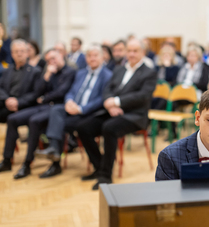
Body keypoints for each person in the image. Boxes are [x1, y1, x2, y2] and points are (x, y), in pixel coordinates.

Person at [76, 39, 157, 190]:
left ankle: (106, 175)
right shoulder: (119, 69)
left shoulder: (149, 73)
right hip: (112, 111)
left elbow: (143, 96)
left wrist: (117, 102)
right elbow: (108, 88)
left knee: (109, 128)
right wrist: (108, 102)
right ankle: (99, 166)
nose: (131, 54)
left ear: (143, 53)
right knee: (83, 127)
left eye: (135, 51)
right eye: (129, 51)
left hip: (134, 115)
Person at [34, 45, 112, 177]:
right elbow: (71, 91)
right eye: (89, 55)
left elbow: (102, 99)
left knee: (64, 125)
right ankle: (54, 154)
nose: (92, 58)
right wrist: (69, 101)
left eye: (95, 55)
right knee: (56, 110)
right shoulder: (81, 73)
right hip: (73, 110)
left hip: (90, 114)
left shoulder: (108, 75)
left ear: (102, 57)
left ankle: (56, 160)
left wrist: (81, 109)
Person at [0, 48, 75, 178]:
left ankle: (27, 163)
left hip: (58, 108)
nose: (52, 62)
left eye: (54, 58)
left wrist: (44, 98)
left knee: (34, 121)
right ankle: (7, 160)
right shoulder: (49, 72)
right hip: (44, 106)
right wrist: (46, 76)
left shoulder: (70, 72)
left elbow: (61, 92)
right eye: (48, 60)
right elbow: (39, 91)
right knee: (12, 119)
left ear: (61, 56)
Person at [0, 40, 41, 123]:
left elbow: (35, 93)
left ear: (27, 53)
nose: (19, 54)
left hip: (24, 106)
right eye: (16, 51)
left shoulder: (35, 71)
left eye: (22, 51)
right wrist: (7, 100)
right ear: (12, 54)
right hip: (6, 104)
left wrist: (18, 102)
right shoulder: (6, 71)